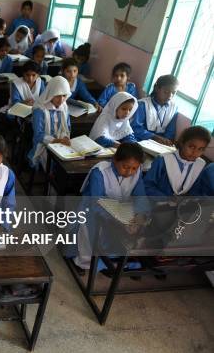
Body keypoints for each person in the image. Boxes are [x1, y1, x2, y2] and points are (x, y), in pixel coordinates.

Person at [73, 142, 149, 270]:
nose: (129, 172)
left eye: (134, 168)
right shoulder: (100, 172)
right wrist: (117, 220)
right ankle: (88, 261)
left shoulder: (137, 172)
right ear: (114, 160)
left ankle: (113, 259)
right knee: (93, 232)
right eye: (125, 166)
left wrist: (140, 214)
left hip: (120, 210)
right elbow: (95, 202)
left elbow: (140, 196)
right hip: (92, 211)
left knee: (139, 226)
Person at [144, 126, 211, 196]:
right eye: (192, 147)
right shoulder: (163, 160)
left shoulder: (200, 165)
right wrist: (165, 199)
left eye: (200, 149)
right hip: (157, 201)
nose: (195, 152)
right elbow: (147, 185)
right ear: (182, 143)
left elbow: (196, 189)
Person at [28, 76, 72, 169]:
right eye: (58, 95)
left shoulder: (64, 107)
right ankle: (51, 179)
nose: (61, 100)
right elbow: (39, 135)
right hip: (43, 144)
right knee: (57, 163)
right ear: (51, 93)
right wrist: (57, 141)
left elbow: (67, 127)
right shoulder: (39, 109)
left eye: (64, 96)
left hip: (60, 142)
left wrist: (64, 138)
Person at [131, 75, 178, 145]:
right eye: (166, 91)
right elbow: (135, 128)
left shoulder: (174, 108)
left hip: (160, 143)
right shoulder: (142, 104)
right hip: (141, 139)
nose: (170, 96)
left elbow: (170, 131)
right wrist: (154, 137)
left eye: (173, 93)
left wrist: (166, 141)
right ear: (156, 88)